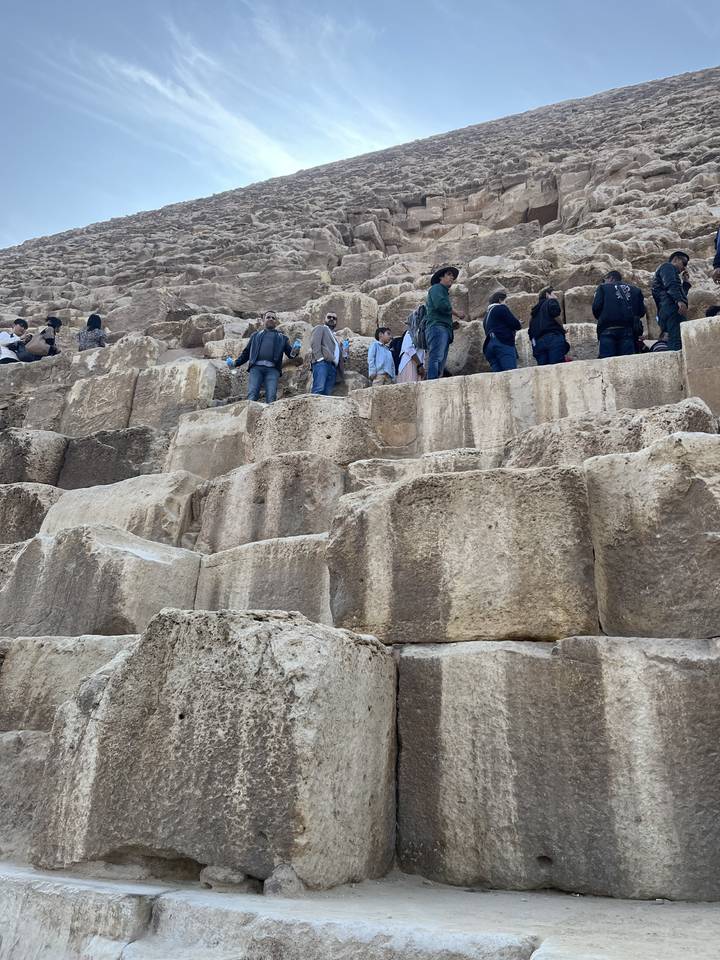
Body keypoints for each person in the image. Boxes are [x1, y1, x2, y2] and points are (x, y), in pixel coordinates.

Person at [231, 310, 298, 403]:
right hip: (256, 368)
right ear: (263, 320)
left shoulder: (282, 338)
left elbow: (291, 355)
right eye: (268, 317)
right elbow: (246, 353)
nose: (271, 319)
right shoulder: (255, 336)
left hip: (273, 370)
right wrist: (235, 363)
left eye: (273, 318)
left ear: (276, 322)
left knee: (271, 396)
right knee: (252, 394)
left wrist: (295, 350)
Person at [592, 271, 646, 358]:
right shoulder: (635, 290)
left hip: (607, 329)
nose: (603, 282)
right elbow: (641, 311)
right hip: (628, 330)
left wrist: (604, 317)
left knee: (607, 362)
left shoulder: (603, 288)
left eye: (604, 279)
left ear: (611, 278)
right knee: (626, 362)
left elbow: (596, 308)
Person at [425, 266, 464, 380]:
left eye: (453, 275)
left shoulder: (443, 291)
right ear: (441, 277)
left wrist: (451, 325)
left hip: (443, 328)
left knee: (441, 359)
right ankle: (432, 381)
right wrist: (457, 313)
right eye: (449, 274)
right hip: (437, 327)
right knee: (437, 356)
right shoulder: (436, 288)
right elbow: (440, 304)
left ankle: (436, 379)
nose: (452, 277)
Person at [651, 251, 691, 351]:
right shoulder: (667, 266)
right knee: (677, 340)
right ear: (676, 259)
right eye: (684, 263)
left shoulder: (667, 271)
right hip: (671, 309)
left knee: (674, 338)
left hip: (666, 309)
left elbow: (674, 291)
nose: (684, 268)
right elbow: (671, 284)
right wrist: (679, 301)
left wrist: (685, 283)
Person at [482, 291, 521, 372]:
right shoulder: (501, 308)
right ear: (500, 300)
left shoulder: (486, 316)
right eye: (506, 301)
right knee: (510, 373)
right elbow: (516, 324)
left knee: (498, 377)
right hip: (501, 342)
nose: (506, 304)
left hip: (489, 346)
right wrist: (518, 323)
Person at [528, 288, 566, 365]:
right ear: (547, 295)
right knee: (557, 367)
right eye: (553, 294)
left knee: (543, 370)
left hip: (538, 343)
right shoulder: (550, 301)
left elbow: (530, 332)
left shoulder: (534, 313)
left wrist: (534, 344)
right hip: (553, 338)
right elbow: (555, 314)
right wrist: (562, 328)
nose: (556, 297)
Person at [310, 312, 342, 395]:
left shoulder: (335, 337)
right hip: (322, 363)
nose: (331, 319)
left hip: (333, 367)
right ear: (324, 319)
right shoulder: (320, 328)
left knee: (327, 394)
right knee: (319, 389)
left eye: (334, 318)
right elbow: (315, 343)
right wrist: (320, 359)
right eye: (329, 317)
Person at [397, 317, 425, 383]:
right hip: (409, 363)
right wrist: (420, 365)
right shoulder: (410, 332)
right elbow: (409, 349)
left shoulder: (420, 333)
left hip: (416, 365)